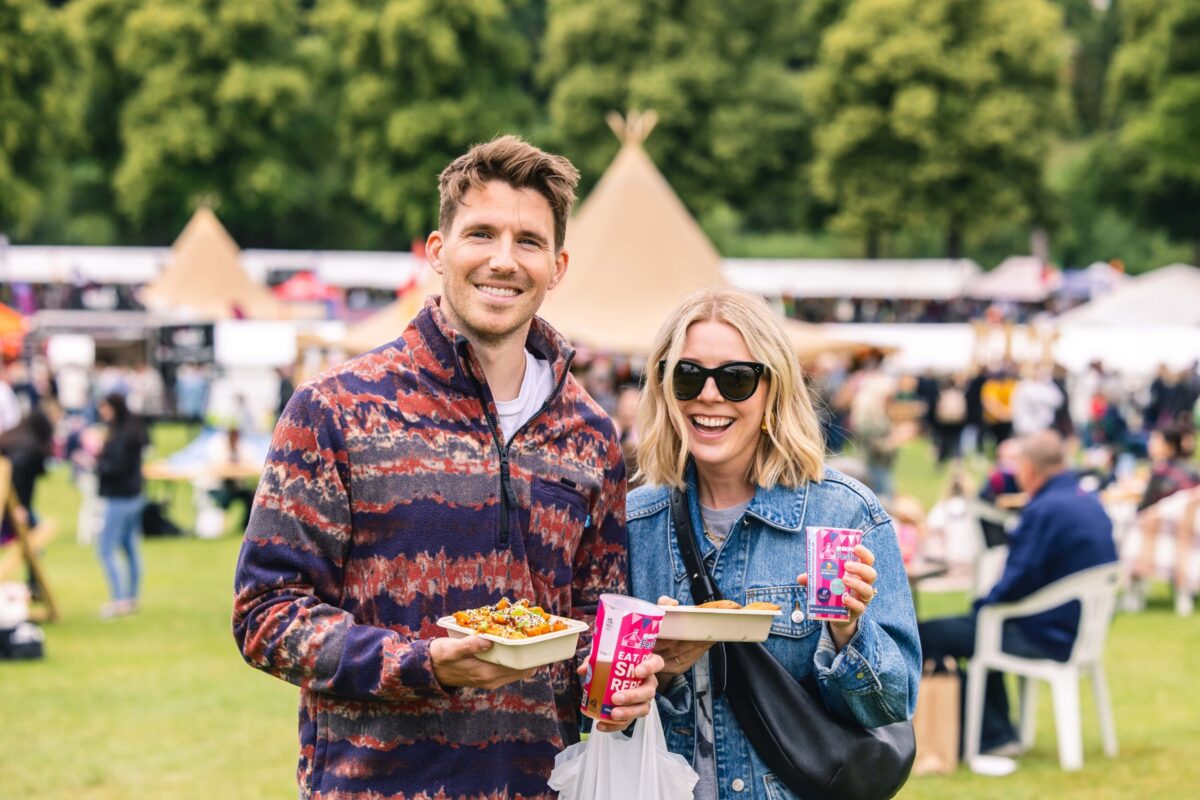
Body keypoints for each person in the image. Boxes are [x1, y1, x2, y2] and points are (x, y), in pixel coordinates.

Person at [232, 136, 662, 800]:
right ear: (437, 250)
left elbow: (590, 620)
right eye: (480, 234)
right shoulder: (337, 408)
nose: (502, 260)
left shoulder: (591, 436)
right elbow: (266, 613)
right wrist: (418, 665)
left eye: (527, 241)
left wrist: (621, 677)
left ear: (558, 265)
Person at [626, 288, 920, 799]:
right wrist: (657, 671)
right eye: (688, 376)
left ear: (773, 391)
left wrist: (848, 631)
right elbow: (606, 716)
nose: (709, 396)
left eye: (736, 379)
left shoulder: (844, 515)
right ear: (665, 389)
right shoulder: (635, 523)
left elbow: (892, 705)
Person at [918, 430, 1118, 758]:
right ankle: (997, 731)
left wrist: (983, 605)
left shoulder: (1044, 510)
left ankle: (987, 736)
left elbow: (1017, 578)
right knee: (973, 629)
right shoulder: (1086, 499)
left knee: (931, 634)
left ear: (1027, 469)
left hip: (1044, 631)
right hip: (1077, 627)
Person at [94, 393, 148, 619]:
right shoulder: (132, 428)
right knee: (129, 547)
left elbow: (116, 466)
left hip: (120, 496)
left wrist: (96, 461)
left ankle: (119, 599)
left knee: (106, 548)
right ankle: (130, 597)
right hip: (134, 494)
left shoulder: (122, 435)